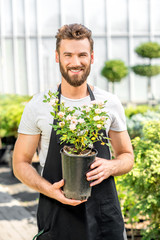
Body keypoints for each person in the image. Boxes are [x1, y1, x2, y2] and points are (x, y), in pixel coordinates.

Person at [13, 23, 134, 240]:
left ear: (92, 57)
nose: (75, 62)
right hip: (57, 217)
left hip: (104, 219)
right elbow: (20, 163)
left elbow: (127, 157)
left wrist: (112, 166)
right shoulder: (39, 104)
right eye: (68, 54)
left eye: (82, 55)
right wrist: (48, 189)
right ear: (58, 57)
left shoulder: (109, 103)